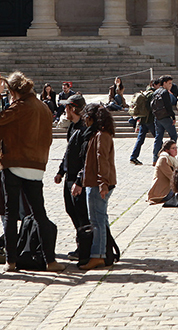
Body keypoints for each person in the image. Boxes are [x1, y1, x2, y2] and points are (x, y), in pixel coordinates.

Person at [0, 71, 64, 273]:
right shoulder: (44, 107)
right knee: (40, 214)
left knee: (11, 215)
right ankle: (50, 260)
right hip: (36, 166)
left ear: (12, 91)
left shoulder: (21, 106)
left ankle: (11, 261)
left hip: (14, 163)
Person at [79, 104, 117, 270]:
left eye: (86, 117)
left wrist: (103, 184)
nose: (85, 121)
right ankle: (105, 252)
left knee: (97, 220)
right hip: (96, 182)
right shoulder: (99, 134)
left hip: (98, 183)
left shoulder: (101, 135)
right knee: (101, 219)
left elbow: (102, 160)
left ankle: (98, 255)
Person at [53, 94, 89, 261]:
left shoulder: (84, 129)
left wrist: (80, 181)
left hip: (77, 179)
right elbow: (69, 152)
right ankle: (81, 242)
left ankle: (85, 246)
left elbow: (86, 159)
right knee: (71, 210)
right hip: (69, 177)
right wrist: (61, 171)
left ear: (72, 108)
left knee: (81, 213)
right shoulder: (73, 127)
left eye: (66, 107)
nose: (64, 110)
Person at [152, 75, 178, 166]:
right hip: (166, 117)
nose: (170, 85)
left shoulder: (156, 92)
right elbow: (168, 106)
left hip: (158, 117)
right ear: (164, 83)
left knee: (158, 138)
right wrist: (173, 117)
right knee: (173, 136)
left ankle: (155, 158)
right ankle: (170, 155)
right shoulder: (164, 92)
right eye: (169, 83)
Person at [130, 80, 157, 165]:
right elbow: (151, 107)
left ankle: (133, 157)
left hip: (142, 119)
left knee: (140, 139)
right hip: (149, 120)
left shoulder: (145, 92)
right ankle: (160, 156)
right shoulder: (152, 94)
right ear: (154, 85)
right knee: (158, 138)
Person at [148, 140, 178, 204]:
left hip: (170, 189)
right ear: (167, 150)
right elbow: (172, 177)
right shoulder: (164, 159)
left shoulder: (172, 159)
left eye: (176, 148)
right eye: (173, 148)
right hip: (163, 192)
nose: (176, 150)